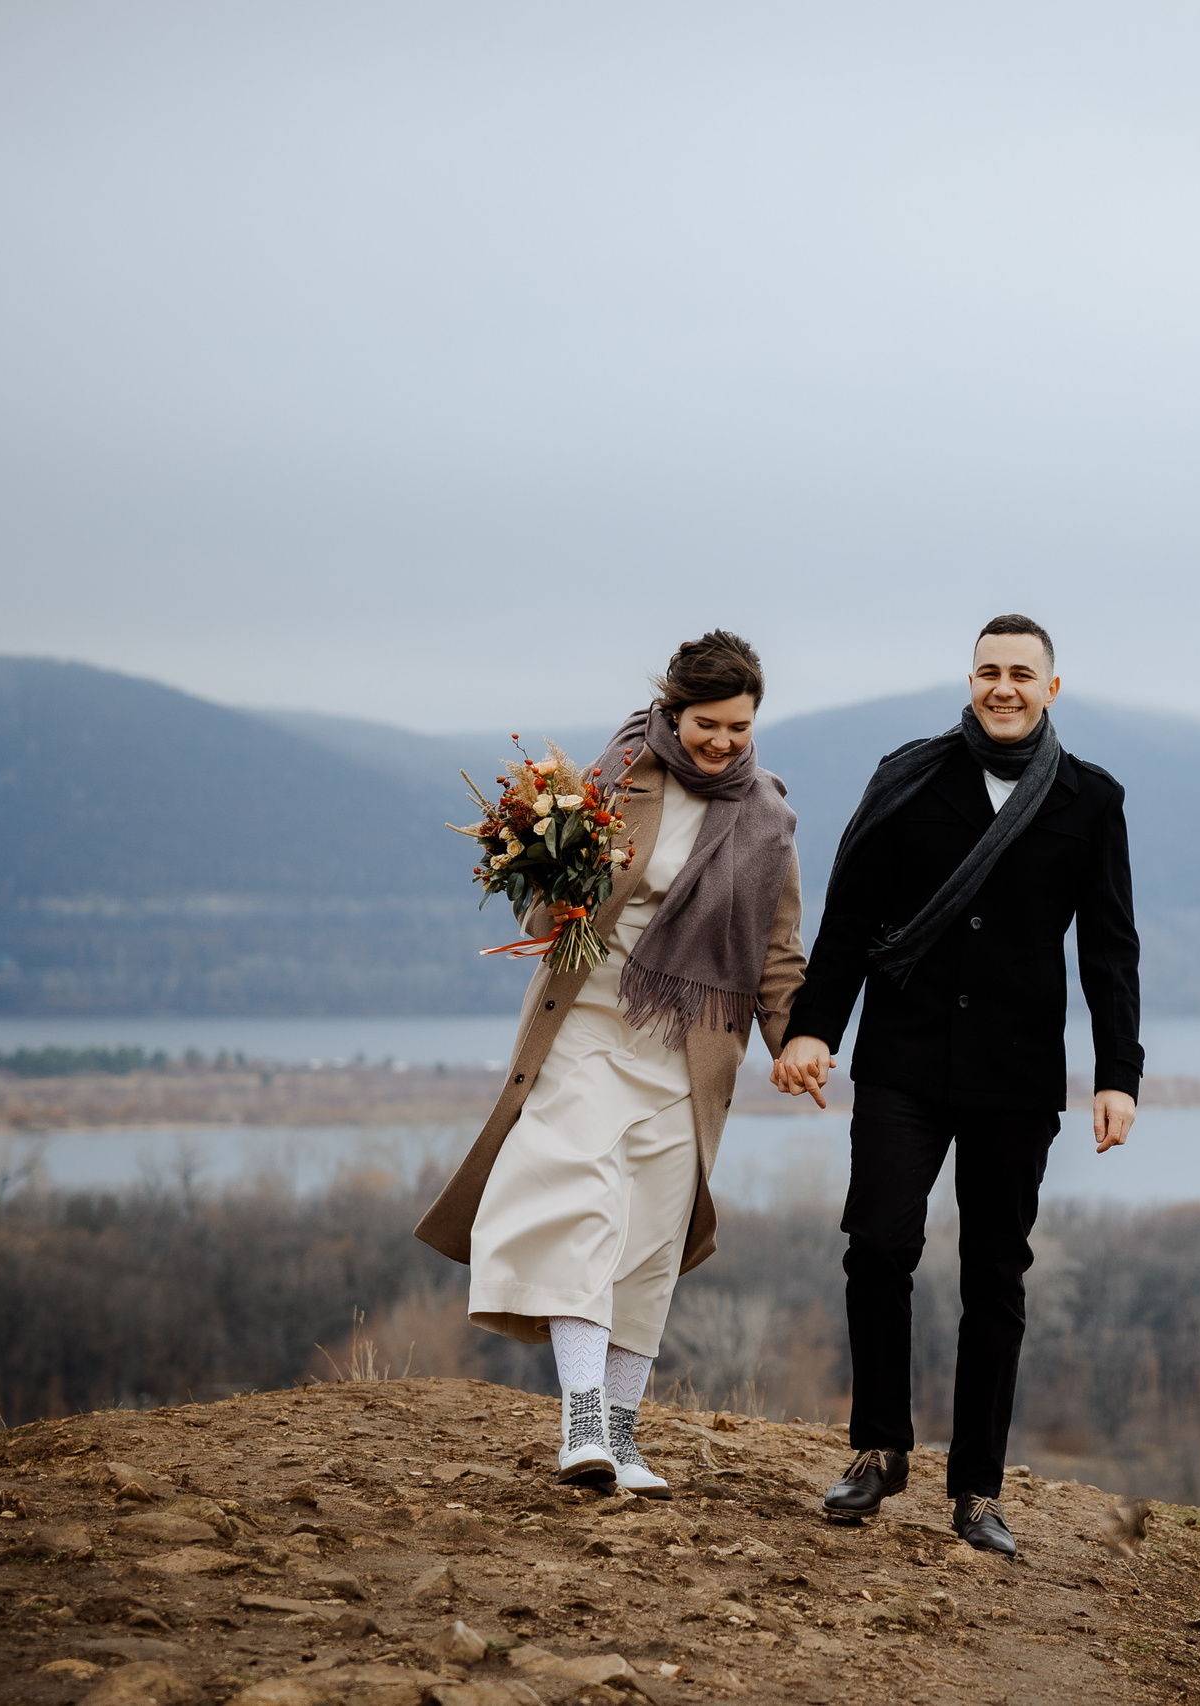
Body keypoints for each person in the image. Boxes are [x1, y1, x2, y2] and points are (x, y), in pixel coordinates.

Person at [772, 613, 1141, 1556]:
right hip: (904, 1059)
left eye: (1023, 673)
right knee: (878, 1245)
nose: (1004, 687)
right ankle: (878, 1449)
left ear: (1052, 689)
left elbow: (1108, 949)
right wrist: (814, 1026)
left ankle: (977, 1489)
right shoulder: (911, 776)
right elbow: (851, 916)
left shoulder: (1091, 800)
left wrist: (1117, 1076)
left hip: (1017, 1078)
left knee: (995, 1277)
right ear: (969, 680)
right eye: (989, 671)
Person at [416, 630, 806, 1496]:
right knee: (579, 1197)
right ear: (673, 710)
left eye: (740, 728)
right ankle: (582, 1425)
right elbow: (552, 896)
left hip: (689, 1043)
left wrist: (797, 1040)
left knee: (649, 1240)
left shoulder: (769, 819)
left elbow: (779, 952)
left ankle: (623, 1441)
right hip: (590, 1015)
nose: (724, 743)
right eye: (708, 724)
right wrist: (534, 854)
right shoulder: (615, 775)